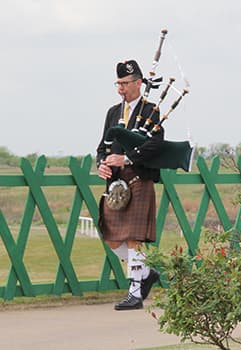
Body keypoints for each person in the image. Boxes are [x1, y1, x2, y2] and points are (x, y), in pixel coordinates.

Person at [96, 60, 162, 310]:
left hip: (139, 179)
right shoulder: (113, 112)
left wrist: (127, 158)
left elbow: (156, 146)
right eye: (118, 83)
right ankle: (146, 273)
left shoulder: (151, 111)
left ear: (138, 83)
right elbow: (102, 146)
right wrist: (101, 163)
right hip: (116, 185)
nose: (120, 88)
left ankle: (135, 293)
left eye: (125, 83)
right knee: (112, 237)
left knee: (134, 239)